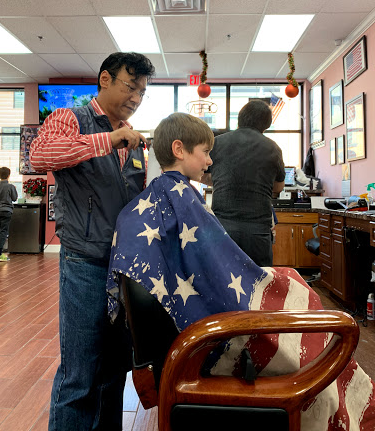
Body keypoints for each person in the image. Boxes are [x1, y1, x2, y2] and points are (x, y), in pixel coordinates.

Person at [107, 112, 375, 431]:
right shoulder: (180, 197)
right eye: (205, 152)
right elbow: (217, 269)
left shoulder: (145, 204)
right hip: (202, 341)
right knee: (303, 306)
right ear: (179, 150)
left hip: (180, 335)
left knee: (293, 286)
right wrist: (270, 282)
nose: (209, 161)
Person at [29, 52, 155, 431]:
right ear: (104, 79)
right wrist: (108, 139)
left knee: (115, 370)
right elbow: (39, 155)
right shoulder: (71, 118)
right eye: (130, 86)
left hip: (124, 267)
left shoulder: (133, 140)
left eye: (142, 92)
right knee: (80, 372)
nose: (136, 97)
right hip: (84, 262)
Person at [202, 99, 285, 267]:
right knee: (259, 285)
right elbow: (278, 187)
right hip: (257, 233)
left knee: (223, 282)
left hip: (222, 228)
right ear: (267, 124)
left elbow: (202, 176)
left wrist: (222, 180)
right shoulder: (273, 148)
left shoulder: (217, 143)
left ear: (240, 118)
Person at [0, 166, 18, 262]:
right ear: (8, 175)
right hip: (6, 211)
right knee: (3, 231)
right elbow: (14, 198)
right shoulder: (10, 187)